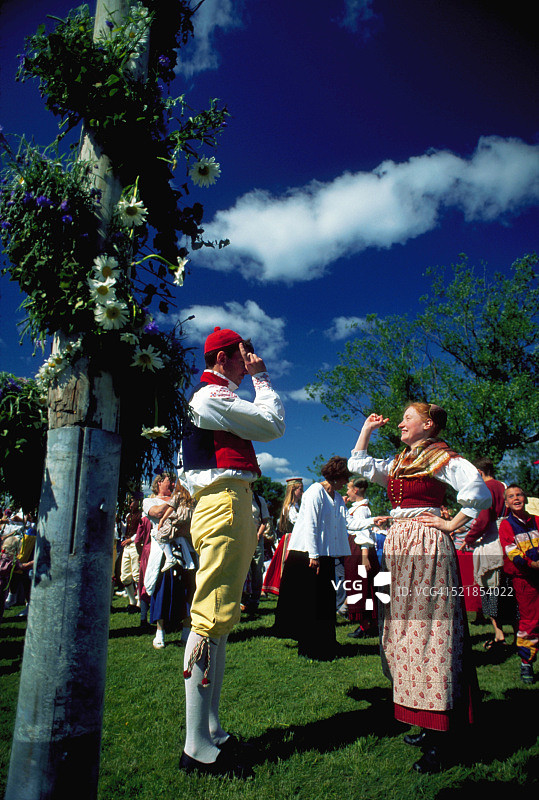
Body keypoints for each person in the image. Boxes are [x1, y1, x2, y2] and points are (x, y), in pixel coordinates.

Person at [349, 403, 491, 774]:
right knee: (401, 628)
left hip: (426, 543)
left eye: (407, 418)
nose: (400, 422)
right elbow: (359, 467)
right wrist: (366, 431)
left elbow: (478, 490)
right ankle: (424, 722)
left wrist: (451, 524)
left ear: (428, 425)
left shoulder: (442, 457)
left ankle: (443, 734)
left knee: (431, 630)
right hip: (399, 544)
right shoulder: (399, 461)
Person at [177, 326, 285, 778]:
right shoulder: (209, 398)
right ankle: (196, 746)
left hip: (230, 502)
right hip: (221, 503)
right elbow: (273, 425)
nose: (251, 361)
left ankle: (212, 730)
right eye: (245, 356)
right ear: (223, 359)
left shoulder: (216, 397)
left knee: (220, 620)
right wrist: (263, 381)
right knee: (209, 617)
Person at [273, 456, 351, 660]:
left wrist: (372, 521)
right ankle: (309, 646)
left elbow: (346, 522)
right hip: (306, 555)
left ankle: (326, 642)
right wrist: (313, 554)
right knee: (309, 603)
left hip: (324, 555)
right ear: (336, 476)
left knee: (325, 601)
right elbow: (311, 524)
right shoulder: (315, 491)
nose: (346, 482)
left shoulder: (338, 498)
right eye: (344, 477)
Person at [463, 457, 513, 649]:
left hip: (492, 539)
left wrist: (468, 538)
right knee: (508, 588)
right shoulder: (504, 485)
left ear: (479, 472)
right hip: (508, 536)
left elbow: (483, 519)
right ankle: (517, 632)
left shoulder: (487, 488)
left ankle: (499, 634)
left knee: (490, 588)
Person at [498, 485, 539, 685]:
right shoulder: (506, 525)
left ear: (526, 497)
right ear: (506, 503)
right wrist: (532, 564)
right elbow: (512, 552)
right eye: (511, 496)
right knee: (530, 621)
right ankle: (526, 661)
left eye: (519, 494)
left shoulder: (537, 521)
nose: (516, 498)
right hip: (524, 579)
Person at [344, 477, 380, 639]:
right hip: (356, 550)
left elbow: (364, 534)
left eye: (349, 489)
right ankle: (368, 624)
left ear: (356, 490)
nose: (347, 492)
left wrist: (365, 557)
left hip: (360, 551)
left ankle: (366, 625)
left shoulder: (361, 509)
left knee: (362, 587)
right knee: (361, 586)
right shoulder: (357, 508)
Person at [262, 477, 303, 596]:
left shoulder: (296, 506)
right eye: (300, 489)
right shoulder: (289, 507)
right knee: (287, 564)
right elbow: (297, 521)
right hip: (290, 538)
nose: (302, 492)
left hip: (295, 537)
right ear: (293, 490)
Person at [241, 489, 270, 615]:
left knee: (257, 569)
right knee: (243, 569)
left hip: (257, 539)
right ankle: (242, 600)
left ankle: (255, 600)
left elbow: (265, 521)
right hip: (242, 539)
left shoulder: (259, 501)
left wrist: (258, 534)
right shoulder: (240, 497)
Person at [155, 481, 194, 572]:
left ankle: (169, 558)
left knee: (160, 535)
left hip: (178, 519)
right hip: (188, 520)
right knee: (180, 538)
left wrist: (162, 520)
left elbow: (171, 507)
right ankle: (189, 562)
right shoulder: (191, 496)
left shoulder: (178, 495)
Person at [118, 499, 142, 613]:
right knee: (125, 575)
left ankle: (140, 603)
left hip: (135, 545)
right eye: (130, 501)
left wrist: (130, 539)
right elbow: (125, 530)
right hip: (127, 546)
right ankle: (132, 601)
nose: (130, 504)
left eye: (133, 501)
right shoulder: (128, 515)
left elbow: (141, 531)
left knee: (137, 574)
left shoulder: (141, 515)